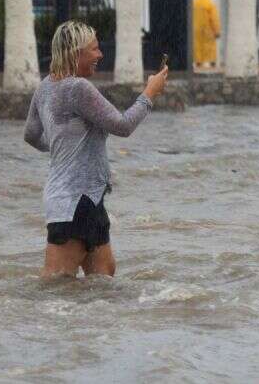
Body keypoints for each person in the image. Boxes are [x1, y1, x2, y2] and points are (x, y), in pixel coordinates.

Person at [24, 20, 168, 278]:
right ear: (75, 53)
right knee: (55, 284)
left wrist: (61, 149)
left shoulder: (45, 87)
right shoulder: (78, 88)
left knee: (104, 276)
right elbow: (122, 126)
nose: (100, 55)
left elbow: (31, 136)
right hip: (73, 203)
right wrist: (149, 94)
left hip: (88, 197)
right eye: (95, 49)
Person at [193, 0, 222, 70]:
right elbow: (214, 19)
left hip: (195, 29)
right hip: (207, 29)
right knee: (209, 46)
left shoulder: (194, 3)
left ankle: (198, 62)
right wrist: (217, 31)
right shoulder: (210, 4)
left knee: (197, 45)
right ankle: (211, 62)